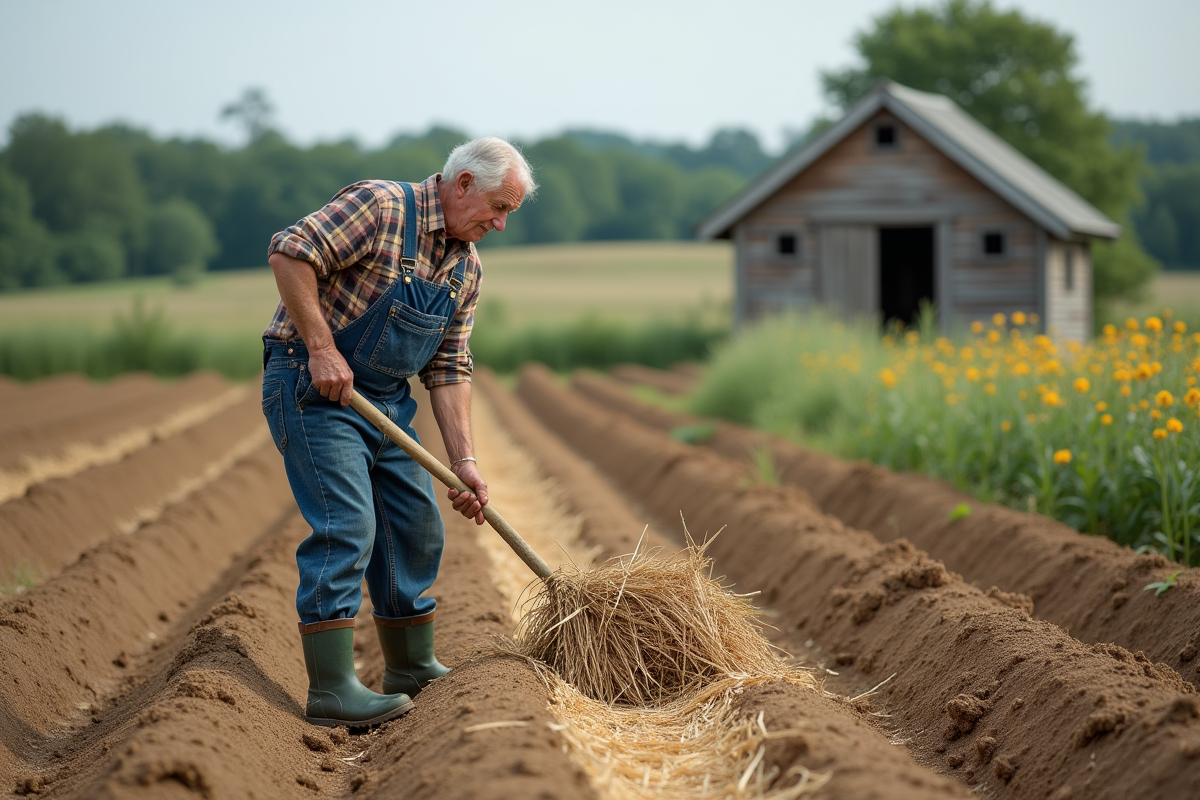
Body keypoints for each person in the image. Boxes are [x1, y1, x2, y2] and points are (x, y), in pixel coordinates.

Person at [260, 137, 536, 727]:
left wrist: (464, 462)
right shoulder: (382, 208)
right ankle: (332, 688)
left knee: (416, 525)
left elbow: (448, 366)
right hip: (313, 389)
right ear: (462, 183)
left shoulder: (465, 266)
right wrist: (321, 347)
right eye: (498, 206)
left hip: (382, 400)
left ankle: (410, 665)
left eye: (510, 211)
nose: (502, 223)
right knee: (347, 523)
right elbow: (289, 252)